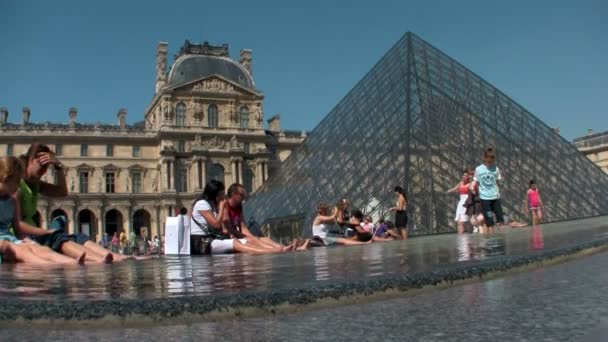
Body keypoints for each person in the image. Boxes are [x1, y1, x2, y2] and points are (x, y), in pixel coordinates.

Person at [17, 144, 122, 262]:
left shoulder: (35, 184)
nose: (44, 171)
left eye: (46, 167)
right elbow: (17, 224)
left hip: (34, 233)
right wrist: (45, 231)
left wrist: (58, 168)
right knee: (57, 238)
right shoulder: (17, 185)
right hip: (24, 236)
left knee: (78, 237)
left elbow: (62, 192)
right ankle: (97, 259)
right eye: (42, 165)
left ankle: (118, 257)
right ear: (31, 160)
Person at [0, 156, 84, 265]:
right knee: (23, 251)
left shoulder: (12, 200)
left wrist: (30, 242)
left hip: (10, 239)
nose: (18, 186)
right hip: (2, 243)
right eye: (16, 181)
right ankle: (50, 266)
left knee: (40, 249)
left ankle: (74, 262)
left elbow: (18, 231)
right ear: (6, 178)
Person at [190, 180, 290, 254]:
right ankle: (270, 251)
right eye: (221, 192)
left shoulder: (211, 205)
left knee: (245, 240)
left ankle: (272, 250)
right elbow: (216, 225)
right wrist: (221, 208)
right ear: (215, 193)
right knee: (235, 242)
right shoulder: (202, 204)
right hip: (201, 243)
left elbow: (222, 227)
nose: (224, 195)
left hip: (209, 240)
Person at [471, 148, 504, 234]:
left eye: (492, 158)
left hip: (495, 197)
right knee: (489, 221)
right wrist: (480, 192)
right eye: (489, 158)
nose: (490, 160)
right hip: (485, 198)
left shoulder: (496, 169)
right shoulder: (478, 169)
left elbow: (497, 182)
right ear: (485, 158)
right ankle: (491, 240)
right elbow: (476, 182)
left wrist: (496, 191)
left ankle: (501, 238)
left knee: (500, 219)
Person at [447, 169, 472, 234]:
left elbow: (472, 193)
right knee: (459, 221)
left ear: (468, 177)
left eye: (465, 176)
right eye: (463, 175)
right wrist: (448, 191)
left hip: (467, 202)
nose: (463, 177)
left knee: (466, 221)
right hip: (461, 202)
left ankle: (470, 235)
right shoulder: (461, 183)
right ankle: (461, 237)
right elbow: (455, 189)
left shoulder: (470, 184)